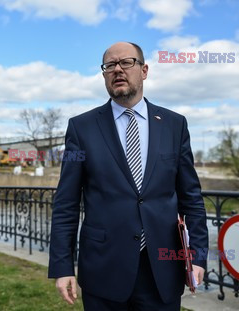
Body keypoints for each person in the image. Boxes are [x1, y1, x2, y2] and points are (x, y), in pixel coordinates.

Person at [48, 41, 209, 310]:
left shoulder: (174, 125)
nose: (117, 70)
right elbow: (66, 203)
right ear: (104, 75)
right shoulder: (81, 128)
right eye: (110, 65)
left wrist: (199, 256)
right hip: (104, 270)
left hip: (163, 270)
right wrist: (63, 266)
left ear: (144, 70)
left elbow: (191, 198)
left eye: (126, 62)